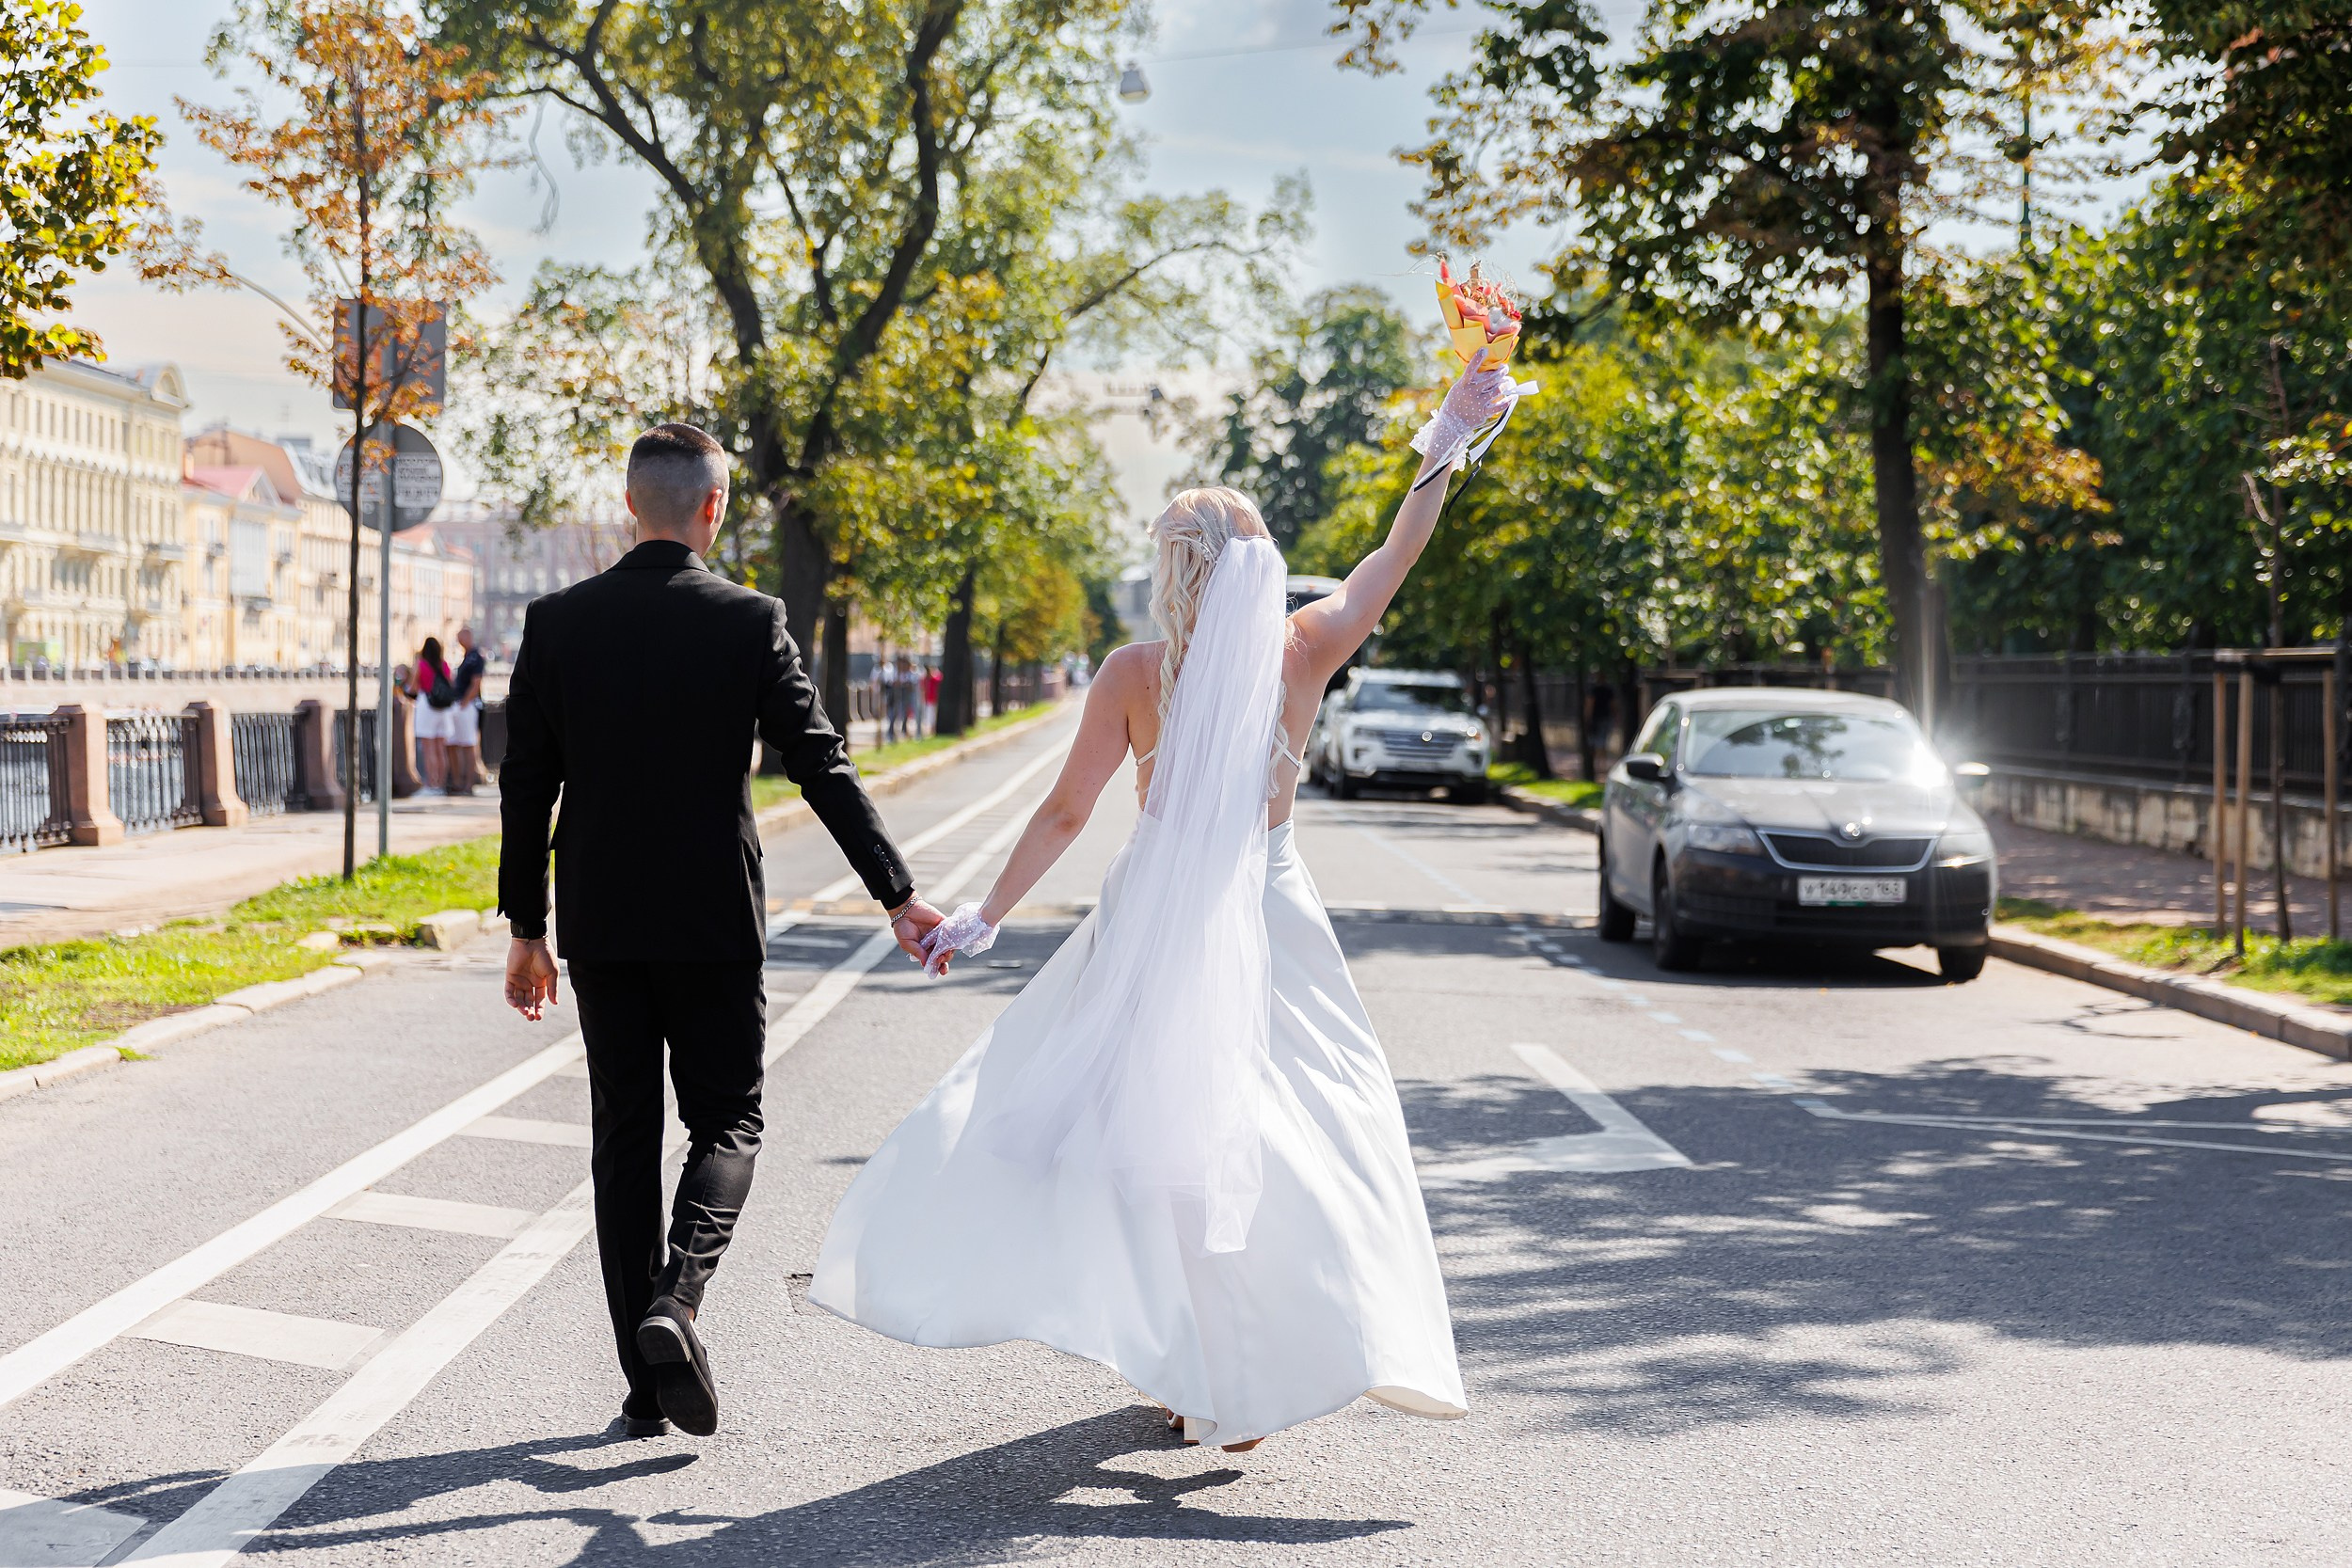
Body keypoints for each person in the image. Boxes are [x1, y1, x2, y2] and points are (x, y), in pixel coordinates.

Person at [812, 351, 1517, 1452]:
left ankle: (1196, 1364)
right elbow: (1395, 554)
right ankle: (1262, 1359)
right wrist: (1447, 437)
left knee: (1152, 1141)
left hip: (1155, 919)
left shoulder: (1134, 673)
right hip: (1272, 909)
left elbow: (1064, 812)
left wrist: (985, 915)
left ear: (1173, 572)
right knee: (1308, 1127)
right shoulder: (1304, 649)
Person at [497, 422, 946, 1441]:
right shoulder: (749, 620)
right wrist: (895, 891)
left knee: (624, 1138)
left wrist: (528, 926)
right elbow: (819, 762)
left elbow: (527, 783)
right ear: (714, 507)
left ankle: (642, 1386)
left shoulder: (557, 621)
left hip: (602, 920)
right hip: (712, 917)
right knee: (728, 1123)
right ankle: (680, 1298)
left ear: (629, 503)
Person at [446, 626, 486, 796]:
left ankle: (469, 783)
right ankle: (457, 781)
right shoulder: (466, 657)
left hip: (467, 706)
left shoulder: (475, 657)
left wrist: (465, 701)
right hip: (460, 704)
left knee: (469, 745)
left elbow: (476, 683)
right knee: (453, 744)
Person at [411, 636, 454, 793]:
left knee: (428, 749)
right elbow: (450, 684)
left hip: (427, 705)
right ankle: (441, 783)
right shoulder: (444, 665)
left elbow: (414, 687)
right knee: (441, 749)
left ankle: (431, 783)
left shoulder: (421, 664)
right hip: (443, 709)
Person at [921, 661, 942, 736]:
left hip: (935, 699)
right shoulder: (925, 679)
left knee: (934, 715)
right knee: (930, 715)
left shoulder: (935, 678)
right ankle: (931, 729)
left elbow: (939, 678)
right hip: (929, 699)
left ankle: (934, 729)